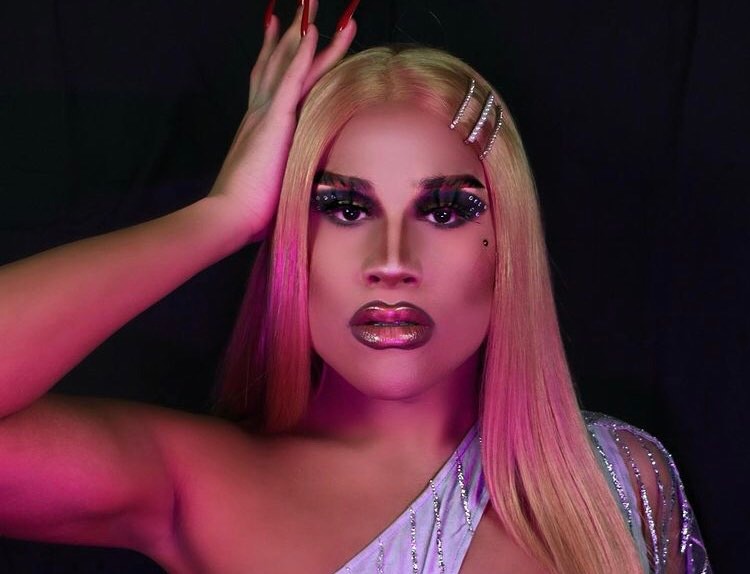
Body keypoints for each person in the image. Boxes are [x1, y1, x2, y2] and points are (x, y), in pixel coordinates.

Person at [0, 1, 711, 572]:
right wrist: (221, 217)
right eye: (344, 208)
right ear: (291, 240)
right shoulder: (199, 484)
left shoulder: (618, 483)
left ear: (508, 248)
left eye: (445, 211)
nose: (392, 261)